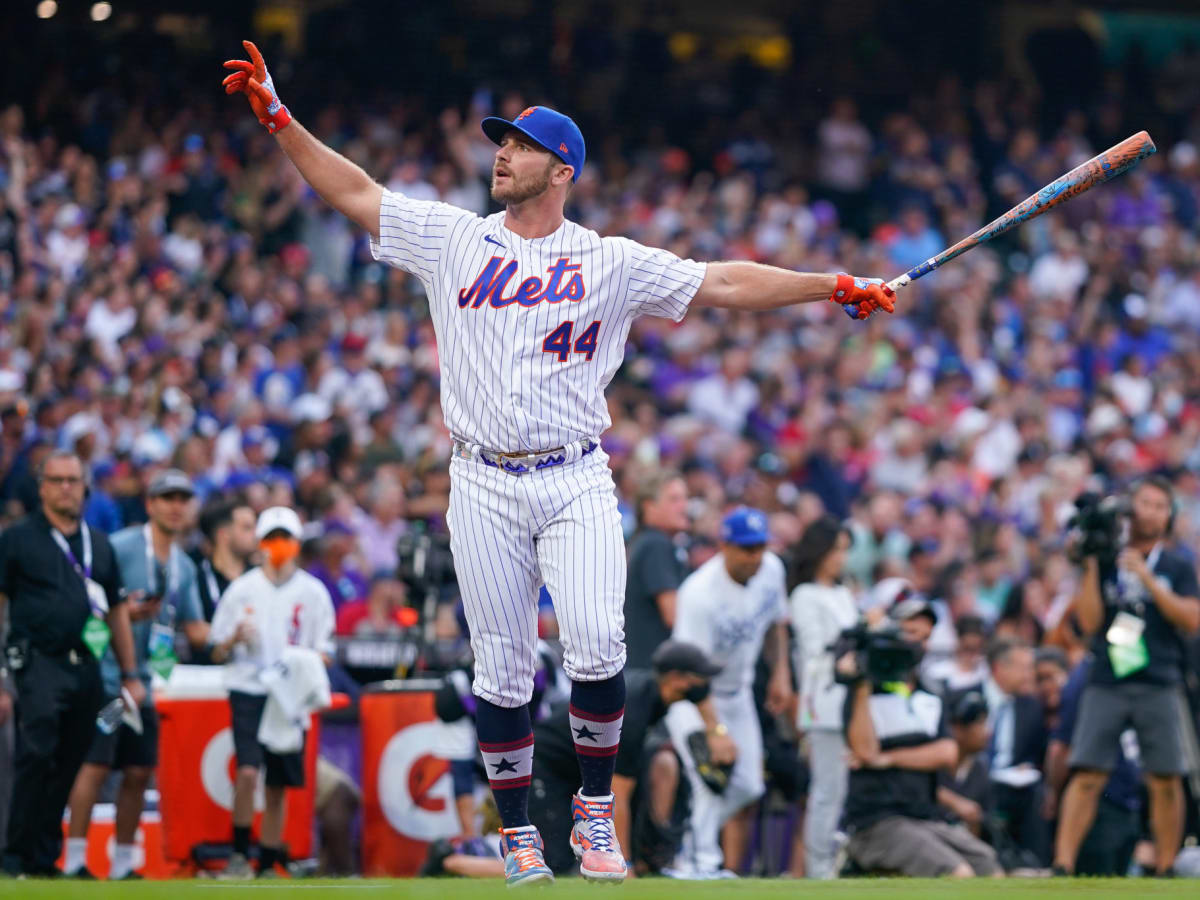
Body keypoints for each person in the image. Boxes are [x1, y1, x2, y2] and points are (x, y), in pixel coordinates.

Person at [221, 38, 894, 888]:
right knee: (500, 664)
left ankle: (592, 816)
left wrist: (830, 283)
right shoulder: (453, 240)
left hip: (574, 471)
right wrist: (281, 119)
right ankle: (518, 838)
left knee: (597, 639)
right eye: (501, 140)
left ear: (561, 168)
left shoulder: (607, 261)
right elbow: (355, 191)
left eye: (521, 144)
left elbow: (720, 283)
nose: (501, 152)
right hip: (480, 476)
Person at [0, 450, 142, 877]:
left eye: (73, 480)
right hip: (38, 659)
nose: (66, 488)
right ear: (42, 487)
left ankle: (43, 855)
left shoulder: (99, 543)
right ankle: (14, 852)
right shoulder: (17, 539)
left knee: (72, 756)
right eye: (57, 480)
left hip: (88, 667)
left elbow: (116, 610)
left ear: (84, 486)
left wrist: (130, 673)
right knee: (37, 750)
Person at [1052, 478, 1200, 876]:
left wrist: (1147, 579)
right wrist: (1088, 563)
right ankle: (1062, 865)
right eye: (1144, 503)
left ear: (1169, 515)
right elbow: (1088, 622)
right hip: (1108, 677)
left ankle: (1165, 869)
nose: (1150, 511)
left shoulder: (1177, 564)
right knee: (1087, 773)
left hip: (1160, 679)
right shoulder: (1105, 558)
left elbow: (1192, 619)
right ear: (1130, 509)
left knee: (1166, 777)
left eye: (1159, 505)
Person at [65, 469, 208, 880]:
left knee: (139, 770)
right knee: (94, 763)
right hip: (108, 681)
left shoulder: (185, 565)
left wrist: (235, 632)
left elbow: (196, 628)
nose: (176, 506)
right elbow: (88, 602)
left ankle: (123, 865)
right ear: (151, 504)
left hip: (144, 686)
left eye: (183, 499)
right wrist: (125, 612)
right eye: (168, 498)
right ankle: (74, 860)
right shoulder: (122, 546)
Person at [209, 505, 335, 878]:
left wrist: (301, 664)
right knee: (248, 772)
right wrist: (233, 638)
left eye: (285, 539)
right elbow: (215, 649)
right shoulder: (242, 589)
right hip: (248, 686)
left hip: (288, 693)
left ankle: (265, 859)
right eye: (272, 539)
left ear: (296, 544)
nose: (278, 546)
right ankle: (238, 852)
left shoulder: (312, 593)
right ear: (261, 544)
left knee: (278, 782)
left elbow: (326, 652)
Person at [668, 507, 793, 876]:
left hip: (738, 694)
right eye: (746, 548)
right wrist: (715, 730)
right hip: (691, 697)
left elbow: (777, 623)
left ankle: (681, 845)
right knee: (709, 777)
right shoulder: (699, 593)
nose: (755, 556)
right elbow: (690, 671)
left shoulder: (772, 569)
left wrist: (781, 673)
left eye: (759, 546)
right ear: (724, 545)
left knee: (749, 785)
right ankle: (701, 864)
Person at [528, 640, 722, 876]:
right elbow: (616, 794)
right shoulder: (636, 709)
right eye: (700, 677)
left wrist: (715, 731)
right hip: (545, 767)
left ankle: (647, 861)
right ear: (676, 679)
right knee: (549, 865)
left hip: (572, 769)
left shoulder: (652, 695)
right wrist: (623, 862)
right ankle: (469, 865)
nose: (705, 685)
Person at [840, 627, 1001, 878]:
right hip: (876, 822)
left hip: (923, 818)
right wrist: (861, 684)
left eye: (924, 637)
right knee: (958, 874)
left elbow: (947, 753)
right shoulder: (862, 696)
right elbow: (865, 750)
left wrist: (888, 758)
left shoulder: (930, 697)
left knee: (987, 864)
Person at [786, 514, 856, 879]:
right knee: (827, 788)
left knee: (840, 788)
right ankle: (818, 868)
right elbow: (814, 652)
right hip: (822, 699)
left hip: (848, 703)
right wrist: (847, 651)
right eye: (837, 550)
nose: (841, 558)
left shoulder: (844, 593)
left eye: (845, 550)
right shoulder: (804, 595)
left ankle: (832, 859)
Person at [1044, 656, 1142, 876]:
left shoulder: (1137, 670)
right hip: (1099, 805)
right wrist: (1054, 790)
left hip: (1126, 800)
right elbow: (1061, 748)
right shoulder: (1086, 678)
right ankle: (1063, 863)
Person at [984, 638, 1050, 866]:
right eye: (1023, 668)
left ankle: (1036, 867)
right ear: (999, 668)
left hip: (1014, 786)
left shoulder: (1031, 706)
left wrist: (1029, 765)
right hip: (977, 782)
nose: (1030, 675)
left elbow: (1036, 752)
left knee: (1038, 794)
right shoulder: (965, 696)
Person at [623, 470, 690, 670]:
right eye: (674, 499)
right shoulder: (656, 545)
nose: (684, 506)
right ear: (649, 506)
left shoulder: (644, 542)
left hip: (640, 670)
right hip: (652, 674)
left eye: (685, 498)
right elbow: (675, 617)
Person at [193, 496, 259, 624]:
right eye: (247, 528)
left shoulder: (260, 576)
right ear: (224, 534)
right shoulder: (197, 579)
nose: (256, 534)